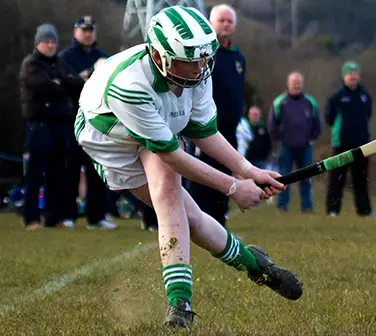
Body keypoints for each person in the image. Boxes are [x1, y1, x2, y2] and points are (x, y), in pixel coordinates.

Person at [73, 6, 302, 328]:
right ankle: (253, 263)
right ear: (159, 56)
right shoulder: (131, 85)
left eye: (202, 60)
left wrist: (249, 170)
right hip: (110, 141)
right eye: (189, 61)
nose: (198, 69)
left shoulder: (197, 70)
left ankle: (180, 301)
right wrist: (234, 187)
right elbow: (173, 155)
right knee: (184, 212)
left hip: (157, 134)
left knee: (176, 205)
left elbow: (204, 131)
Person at [19, 23, 85, 230]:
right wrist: (64, 83)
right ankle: (31, 218)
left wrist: (61, 82)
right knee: (35, 173)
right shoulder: (31, 64)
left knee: (57, 173)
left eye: (53, 42)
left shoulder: (60, 63)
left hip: (60, 126)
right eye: (46, 42)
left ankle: (53, 216)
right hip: (39, 126)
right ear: (38, 43)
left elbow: (78, 84)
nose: (50, 45)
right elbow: (44, 86)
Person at [189, 3, 246, 228]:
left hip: (230, 128)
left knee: (226, 175)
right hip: (206, 127)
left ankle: (220, 225)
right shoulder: (204, 53)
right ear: (211, 23)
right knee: (204, 174)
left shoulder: (238, 57)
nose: (225, 25)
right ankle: (200, 223)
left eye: (229, 21)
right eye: (221, 20)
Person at [58, 15, 116, 230]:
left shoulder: (104, 57)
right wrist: (87, 77)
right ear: (75, 32)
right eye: (84, 30)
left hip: (97, 120)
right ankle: (68, 215)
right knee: (70, 170)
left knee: (97, 169)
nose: (88, 34)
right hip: (72, 120)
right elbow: (68, 84)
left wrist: (87, 79)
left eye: (91, 30)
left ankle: (97, 216)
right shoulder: (65, 57)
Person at [268, 72, 321, 213]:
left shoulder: (310, 102)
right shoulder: (280, 102)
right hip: (286, 147)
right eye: (293, 82)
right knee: (284, 177)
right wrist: (279, 139)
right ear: (288, 83)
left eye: (298, 82)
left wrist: (312, 138)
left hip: (305, 147)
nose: (296, 85)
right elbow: (272, 124)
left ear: (302, 84)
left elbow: (317, 123)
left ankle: (307, 207)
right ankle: (282, 206)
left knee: (306, 177)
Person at [325, 61, 372, 217]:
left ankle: (364, 211)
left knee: (361, 179)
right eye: (349, 73)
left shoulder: (365, 96)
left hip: (362, 144)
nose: (353, 76)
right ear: (344, 76)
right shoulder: (336, 97)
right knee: (337, 179)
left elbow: (368, 115)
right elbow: (329, 118)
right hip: (341, 143)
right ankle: (333, 210)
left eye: (355, 73)